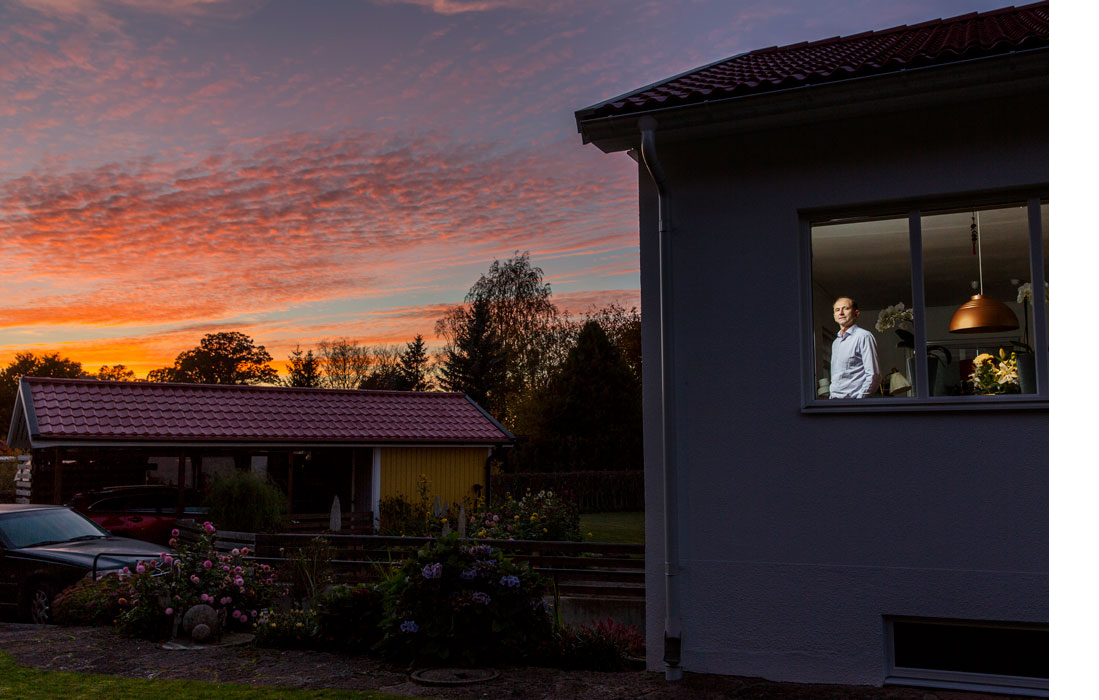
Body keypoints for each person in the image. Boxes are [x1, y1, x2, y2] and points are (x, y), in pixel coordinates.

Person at [829, 297, 880, 399]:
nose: (841, 313)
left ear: (856, 313)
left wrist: (859, 401)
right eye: (837, 310)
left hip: (853, 404)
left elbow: (874, 375)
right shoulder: (836, 343)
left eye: (845, 308)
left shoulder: (863, 336)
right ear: (834, 315)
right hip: (834, 404)